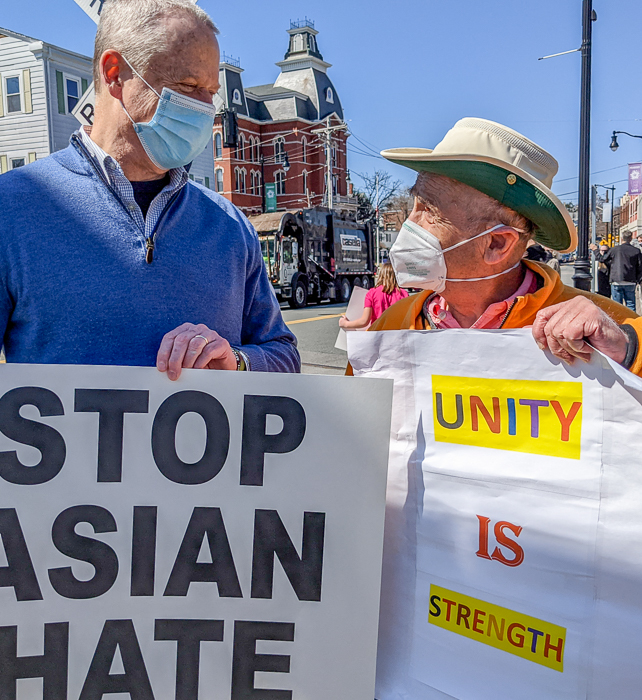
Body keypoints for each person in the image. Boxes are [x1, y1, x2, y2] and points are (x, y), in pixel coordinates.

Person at [0, 0, 299, 377]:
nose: (205, 108)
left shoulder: (231, 226)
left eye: (210, 91)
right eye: (188, 86)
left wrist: (237, 361)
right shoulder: (11, 209)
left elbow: (283, 355)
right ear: (114, 73)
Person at [360, 118, 642, 375]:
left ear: (497, 244)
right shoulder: (393, 324)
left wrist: (627, 351)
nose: (409, 224)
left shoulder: (611, 333)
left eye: (428, 210)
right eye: (414, 205)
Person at [339, 263, 408, 330]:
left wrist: (346, 324)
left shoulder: (372, 293)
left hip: (377, 335)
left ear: (381, 275)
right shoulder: (404, 294)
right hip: (398, 335)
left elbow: (364, 321)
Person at [590, 232, 642, 311]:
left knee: (617, 305)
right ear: (630, 239)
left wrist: (595, 250)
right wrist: (639, 280)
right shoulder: (636, 251)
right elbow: (640, 267)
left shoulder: (614, 250)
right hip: (630, 280)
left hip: (616, 279)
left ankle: (619, 322)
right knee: (631, 304)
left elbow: (602, 259)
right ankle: (632, 321)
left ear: (621, 238)